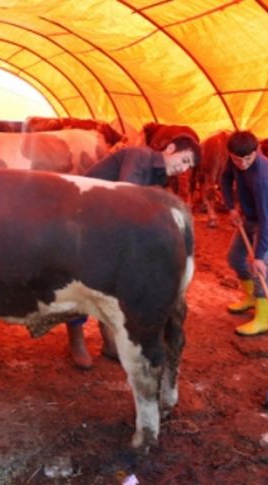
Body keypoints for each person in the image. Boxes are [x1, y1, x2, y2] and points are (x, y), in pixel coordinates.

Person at [65, 136, 202, 369]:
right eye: (185, 159)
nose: (184, 168)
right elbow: (125, 197)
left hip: (107, 224)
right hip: (81, 219)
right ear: (170, 148)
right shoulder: (140, 156)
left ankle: (108, 340)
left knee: (110, 283)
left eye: (189, 166)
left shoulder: (160, 176)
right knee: (81, 280)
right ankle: (76, 341)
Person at [220, 130, 268, 336]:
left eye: (247, 158)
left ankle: (262, 318)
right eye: (237, 159)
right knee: (235, 258)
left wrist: (259, 257)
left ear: (256, 151)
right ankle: (251, 298)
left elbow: (267, 221)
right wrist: (231, 207)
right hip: (248, 216)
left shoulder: (263, 177)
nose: (242, 164)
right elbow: (224, 179)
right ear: (230, 154)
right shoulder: (235, 160)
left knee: (259, 269)